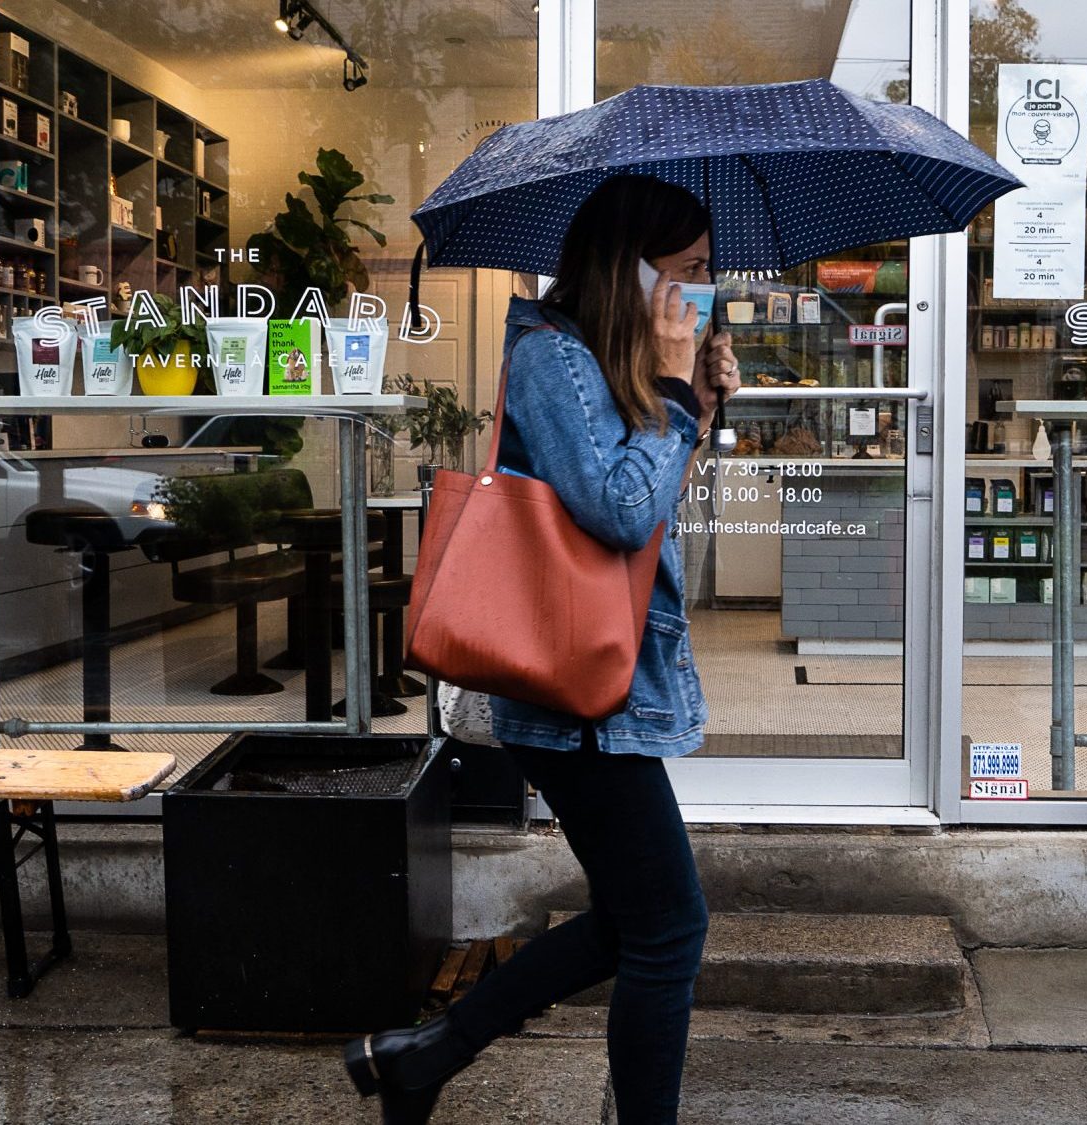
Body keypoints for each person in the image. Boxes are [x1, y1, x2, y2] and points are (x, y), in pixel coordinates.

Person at [343, 174, 740, 1125]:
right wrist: (680, 395)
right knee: (668, 930)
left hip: (604, 684)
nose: (700, 290)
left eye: (705, 272)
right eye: (687, 270)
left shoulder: (610, 360)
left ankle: (424, 1055)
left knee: (630, 922)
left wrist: (699, 404)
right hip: (575, 694)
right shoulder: (552, 355)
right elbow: (618, 511)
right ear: (631, 265)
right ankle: (431, 1057)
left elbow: (643, 508)